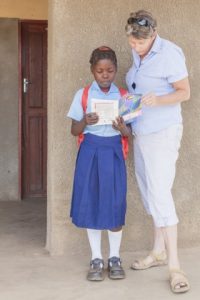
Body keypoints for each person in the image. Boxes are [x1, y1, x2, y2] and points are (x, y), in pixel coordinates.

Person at [125, 10, 190, 293]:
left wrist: (159, 99)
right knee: (149, 191)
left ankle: (175, 266)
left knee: (161, 193)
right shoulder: (137, 54)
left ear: (152, 36)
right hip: (142, 132)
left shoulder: (170, 53)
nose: (134, 47)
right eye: (131, 43)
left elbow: (184, 92)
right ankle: (158, 251)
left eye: (139, 43)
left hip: (162, 133)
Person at [67, 46, 131, 281]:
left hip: (113, 152)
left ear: (115, 70)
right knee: (91, 202)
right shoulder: (82, 95)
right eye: (100, 71)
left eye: (110, 71)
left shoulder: (124, 96)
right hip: (90, 152)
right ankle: (96, 258)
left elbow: (129, 135)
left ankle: (114, 257)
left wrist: (122, 128)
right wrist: (85, 120)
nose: (105, 75)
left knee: (115, 204)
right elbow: (74, 130)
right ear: (92, 71)